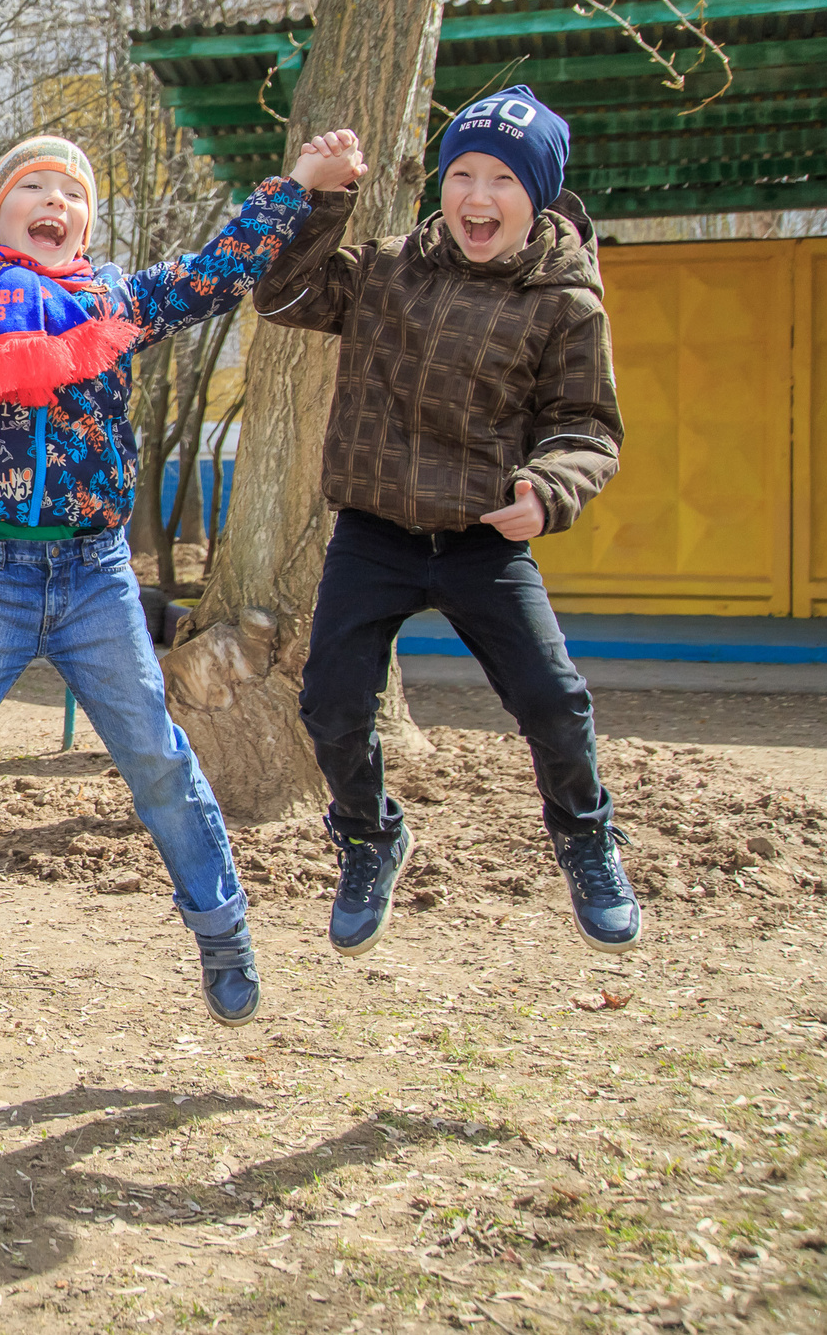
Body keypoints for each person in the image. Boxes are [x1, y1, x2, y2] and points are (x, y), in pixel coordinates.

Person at [0, 23, 363, 1028]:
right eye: (34, 189)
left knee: (158, 758)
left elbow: (218, 272)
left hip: (93, 579)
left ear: (86, 230)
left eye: (74, 196)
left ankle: (221, 931)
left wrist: (297, 183)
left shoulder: (116, 305)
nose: (57, 203)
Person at [255, 84, 633, 957]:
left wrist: (549, 487)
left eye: (502, 178)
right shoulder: (388, 266)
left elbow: (586, 427)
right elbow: (280, 298)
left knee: (554, 699)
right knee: (333, 702)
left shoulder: (565, 302)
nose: (476, 196)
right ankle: (367, 836)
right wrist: (320, 201)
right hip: (376, 531)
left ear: (535, 195)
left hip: (483, 537)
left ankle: (585, 837)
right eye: (461, 172)